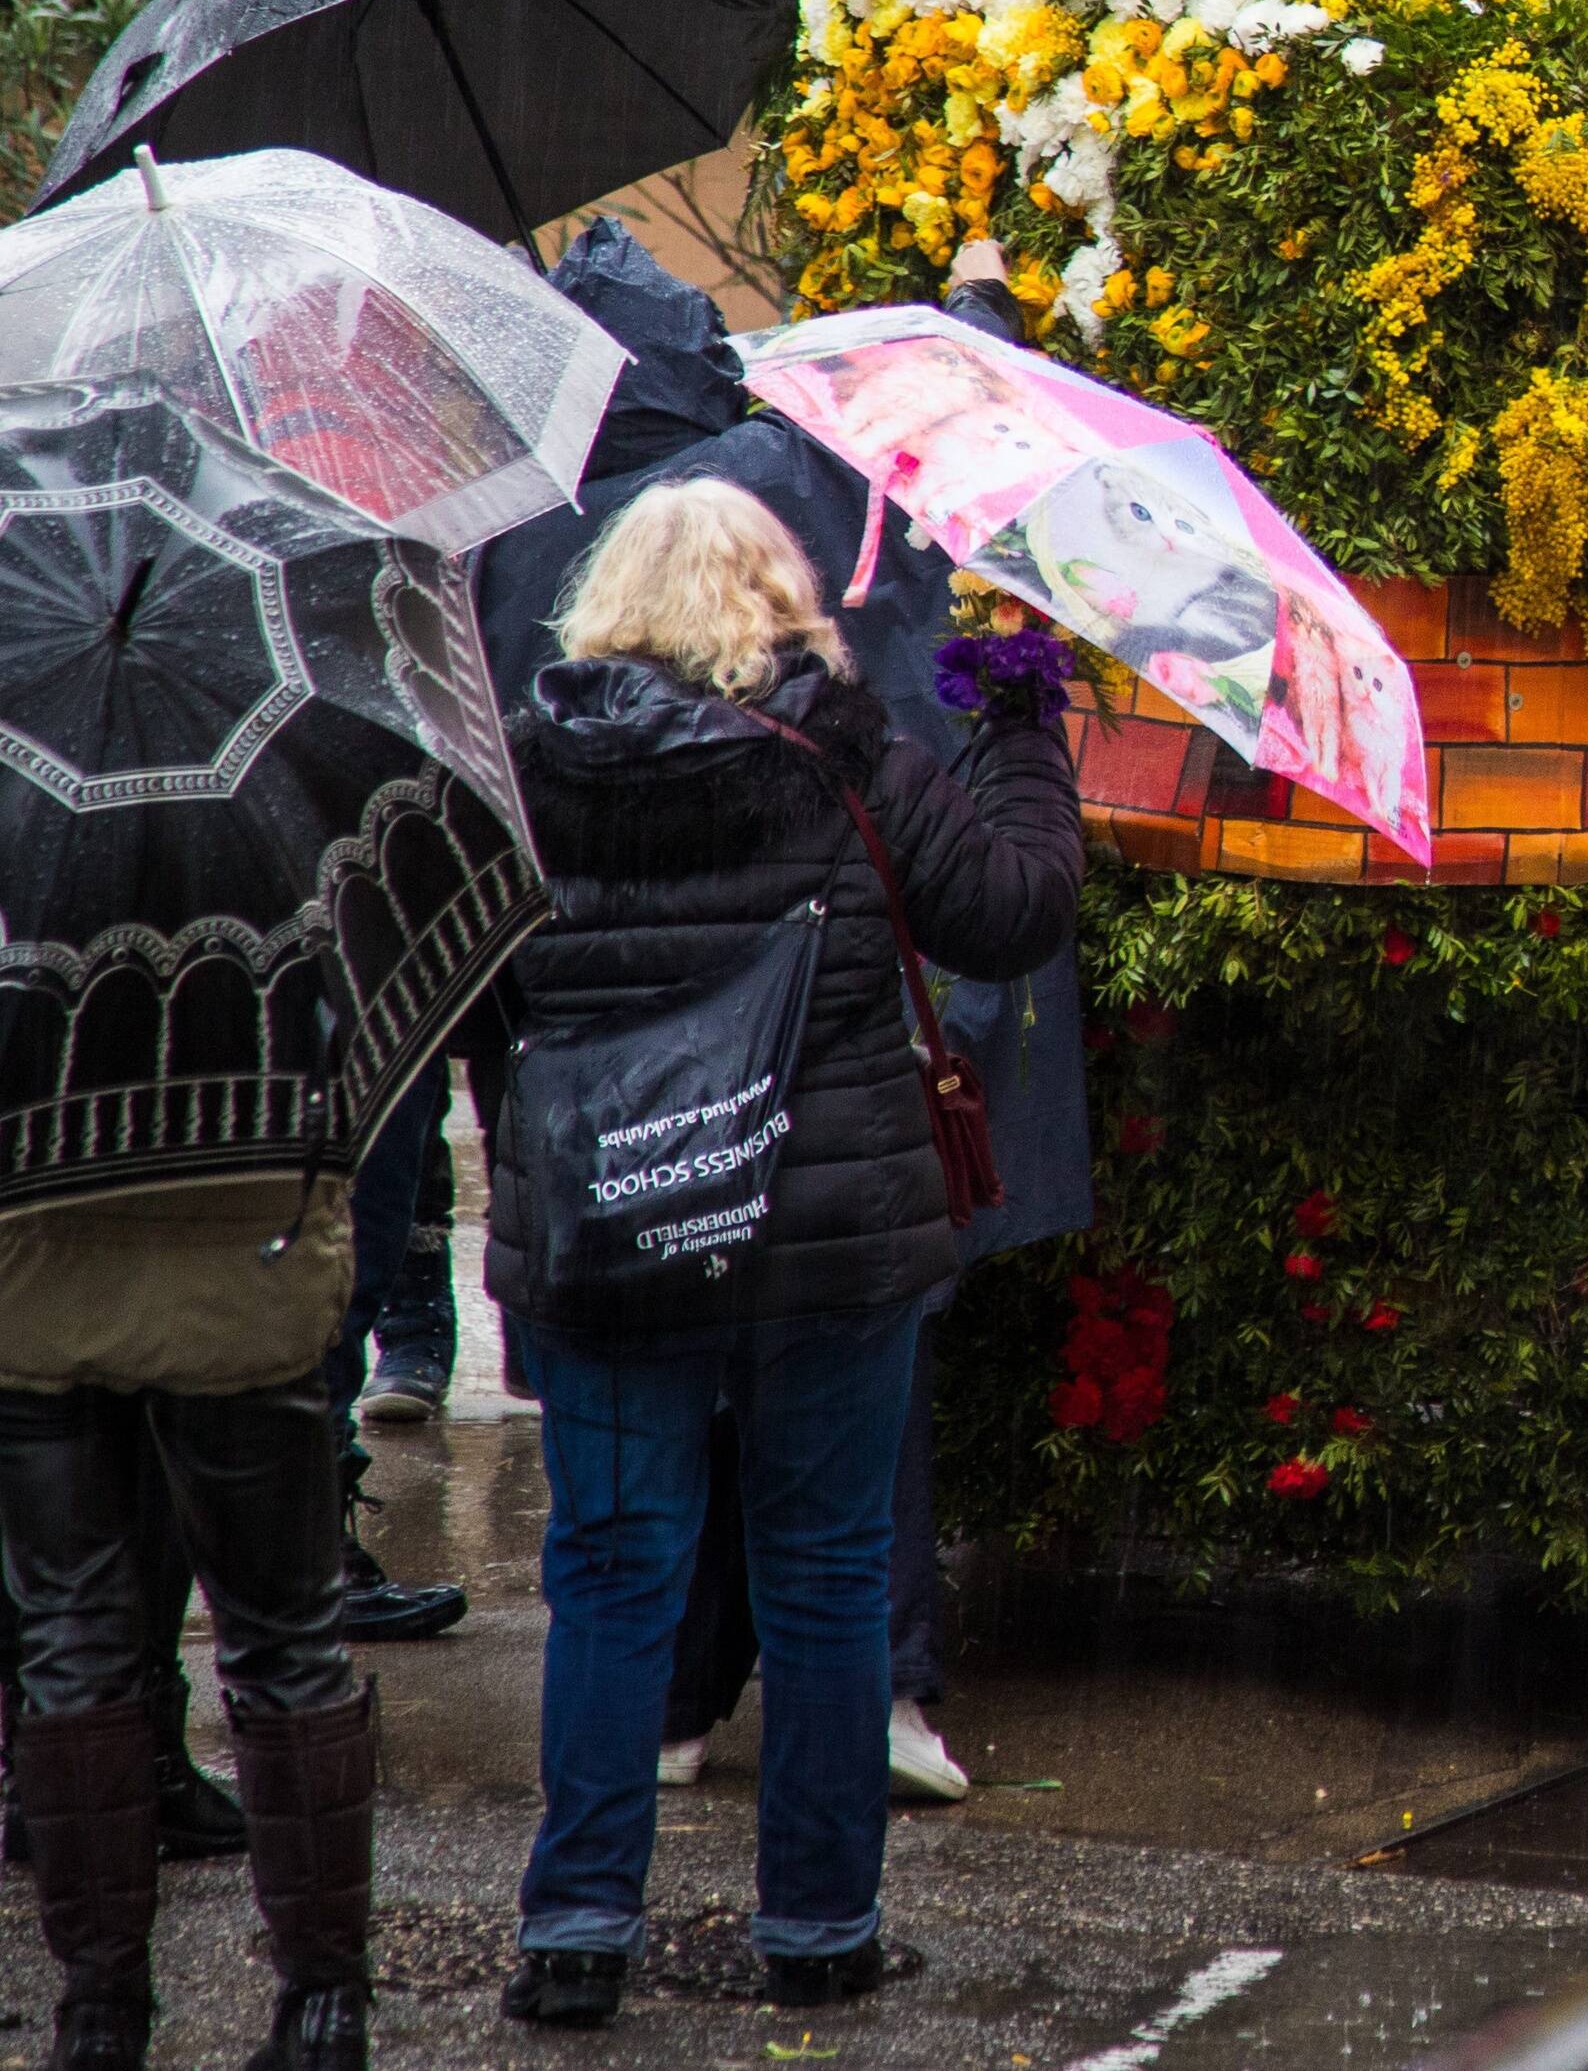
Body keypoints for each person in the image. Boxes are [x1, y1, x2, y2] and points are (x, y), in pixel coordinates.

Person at [481, 223, 1090, 1811]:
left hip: (613, 1175)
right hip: (820, 1169)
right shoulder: (828, 692)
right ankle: (843, 1829)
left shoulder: (517, 649)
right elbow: (1005, 905)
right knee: (833, 1527)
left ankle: (616, 1831)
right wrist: (1024, 718)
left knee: (618, 1542)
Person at [0, 1117, 387, 2071]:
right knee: (289, 1640)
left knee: (70, 1635)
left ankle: (99, 2017)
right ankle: (324, 2009)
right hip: (248, 1265)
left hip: (42, 1265)